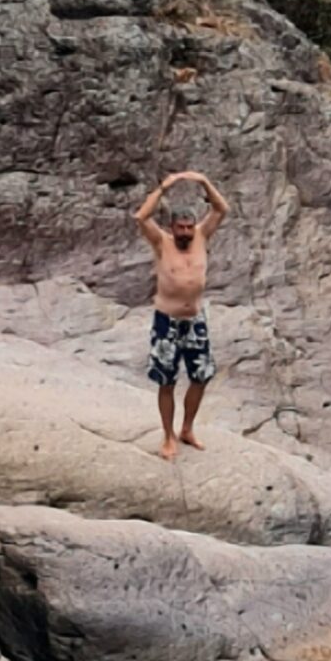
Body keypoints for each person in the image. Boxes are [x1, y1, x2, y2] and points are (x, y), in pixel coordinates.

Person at [134, 170, 231, 458]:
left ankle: (187, 429)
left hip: (195, 320)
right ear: (173, 227)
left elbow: (222, 209)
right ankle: (168, 436)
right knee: (167, 380)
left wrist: (203, 181)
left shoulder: (202, 236)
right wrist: (165, 185)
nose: (186, 232)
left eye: (190, 227)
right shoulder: (161, 241)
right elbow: (141, 217)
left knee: (201, 377)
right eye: (182, 228)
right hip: (167, 321)